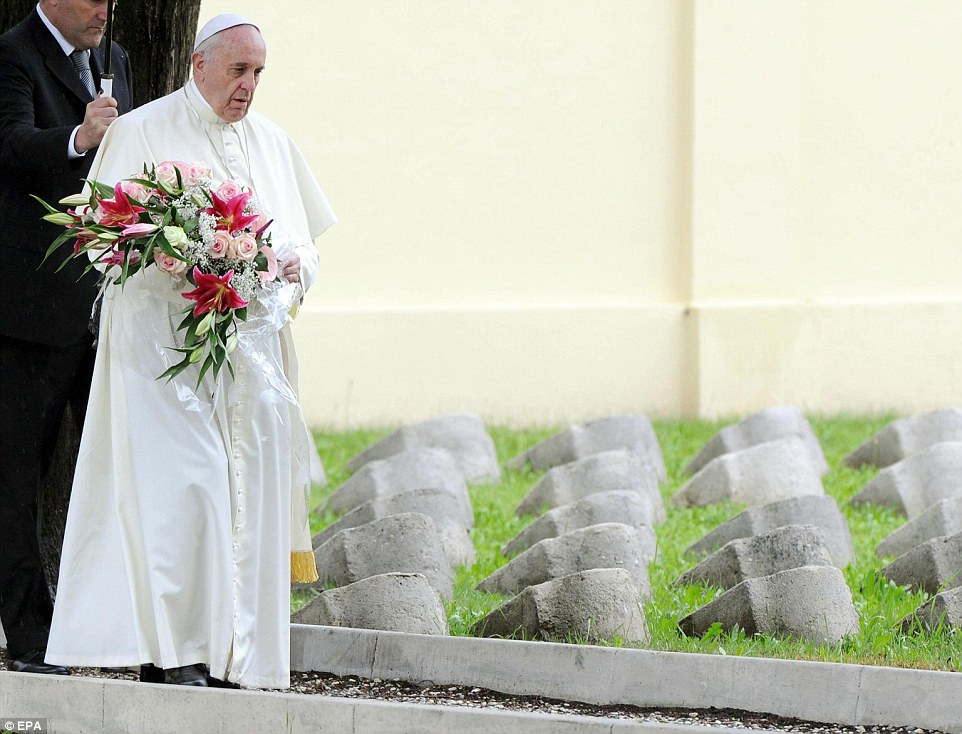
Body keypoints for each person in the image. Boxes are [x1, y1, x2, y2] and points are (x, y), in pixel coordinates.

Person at [44, 14, 335, 689]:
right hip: (160, 359)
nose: (249, 86)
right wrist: (182, 255)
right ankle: (173, 653)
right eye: (239, 70)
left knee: (247, 499)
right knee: (185, 495)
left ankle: (242, 655)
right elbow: (98, 239)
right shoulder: (139, 132)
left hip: (251, 361)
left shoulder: (273, 143)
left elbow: (306, 246)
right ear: (199, 65)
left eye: (259, 73)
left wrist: (289, 266)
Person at [0, 0, 133, 676]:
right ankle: (29, 639)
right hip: (27, 311)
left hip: (104, 308)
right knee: (18, 477)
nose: (106, 10)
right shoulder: (14, 54)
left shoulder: (118, 62)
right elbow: (9, 147)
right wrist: (78, 140)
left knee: (121, 469)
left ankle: (112, 626)